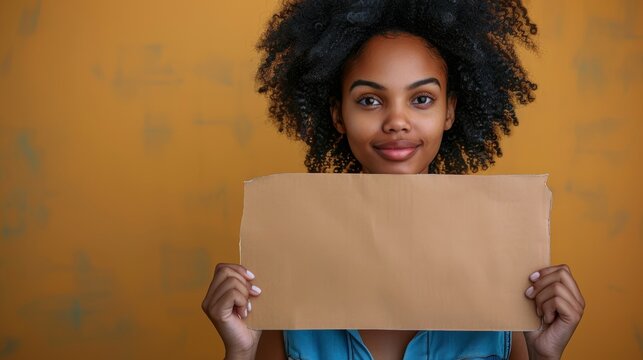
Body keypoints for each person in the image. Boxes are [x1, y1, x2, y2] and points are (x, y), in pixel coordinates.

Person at [202, 1, 585, 359]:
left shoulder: (504, 265)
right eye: (370, 100)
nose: (397, 121)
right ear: (338, 114)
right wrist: (240, 353)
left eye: (421, 99)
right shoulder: (291, 263)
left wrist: (544, 356)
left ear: (449, 111)